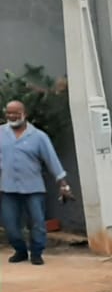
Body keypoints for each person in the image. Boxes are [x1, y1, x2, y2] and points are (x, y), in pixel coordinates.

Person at [1, 99, 70, 265]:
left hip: (33, 187)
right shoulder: (1, 133)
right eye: (9, 113)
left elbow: (51, 160)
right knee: (10, 225)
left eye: (15, 113)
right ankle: (20, 250)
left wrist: (63, 184)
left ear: (24, 114)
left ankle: (37, 252)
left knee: (38, 222)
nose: (12, 116)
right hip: (7, 187)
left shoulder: (39, 136)